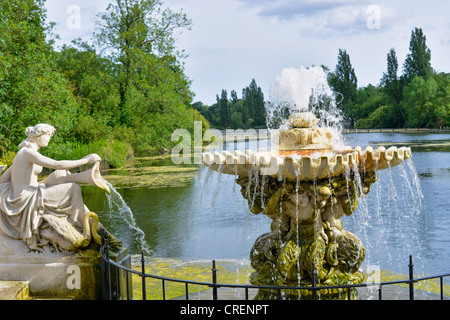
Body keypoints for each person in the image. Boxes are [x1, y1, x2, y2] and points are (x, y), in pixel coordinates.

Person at [0, 124, 102, 252]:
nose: (49, 138)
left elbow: (3, 179)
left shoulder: (24, 153)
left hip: (33, 190)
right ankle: (80, 222)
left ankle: (84, 217)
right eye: (47, 135)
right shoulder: (27, 153)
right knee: (73, 189)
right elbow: (57, 164)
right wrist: (86, 160)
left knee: (62, 174)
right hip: (26, 198)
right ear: (38, 136)